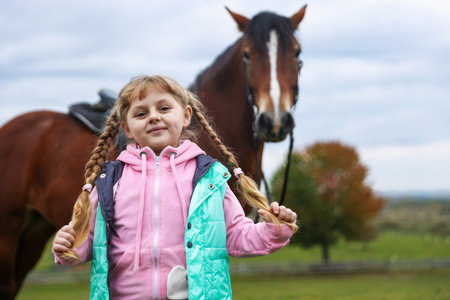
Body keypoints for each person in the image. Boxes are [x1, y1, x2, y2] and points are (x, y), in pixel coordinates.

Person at [52, 75, 298, 300]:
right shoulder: (111, 181)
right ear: (126, 128)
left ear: (186, 116)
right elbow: (89, 242)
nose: (154, 117)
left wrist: (274, 230)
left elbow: (236, 236)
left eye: (164, 108)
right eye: (140, 114)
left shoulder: (209, 178)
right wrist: (68, 247)